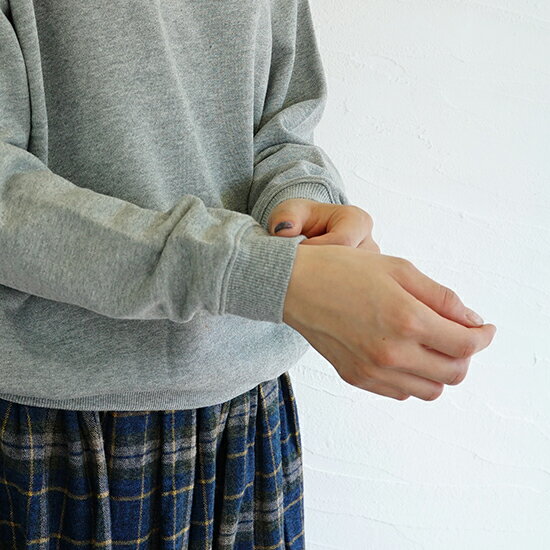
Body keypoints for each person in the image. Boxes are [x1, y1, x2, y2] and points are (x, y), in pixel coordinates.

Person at [0, 0, 496, 547]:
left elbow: (278, 128)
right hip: (53, 426)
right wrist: (262, 274)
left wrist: (305, 209)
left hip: (250, 412)